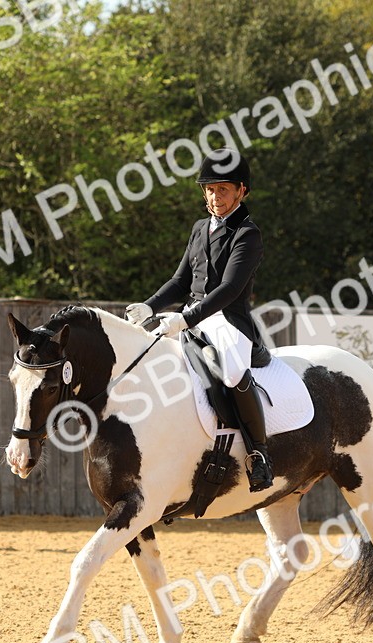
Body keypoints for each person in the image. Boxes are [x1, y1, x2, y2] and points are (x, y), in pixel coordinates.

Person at [126, 148, 275, 492]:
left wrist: (185, 318)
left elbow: (230, 288)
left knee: (234, 372)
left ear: (241, 191)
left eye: (223, 189)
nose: (215, 196)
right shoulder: (199, 228)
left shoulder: (247, 233)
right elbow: (180, 281)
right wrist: (149, 307)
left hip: (227, 319)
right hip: (191, 315)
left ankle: (259, 454)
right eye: (209, 189)